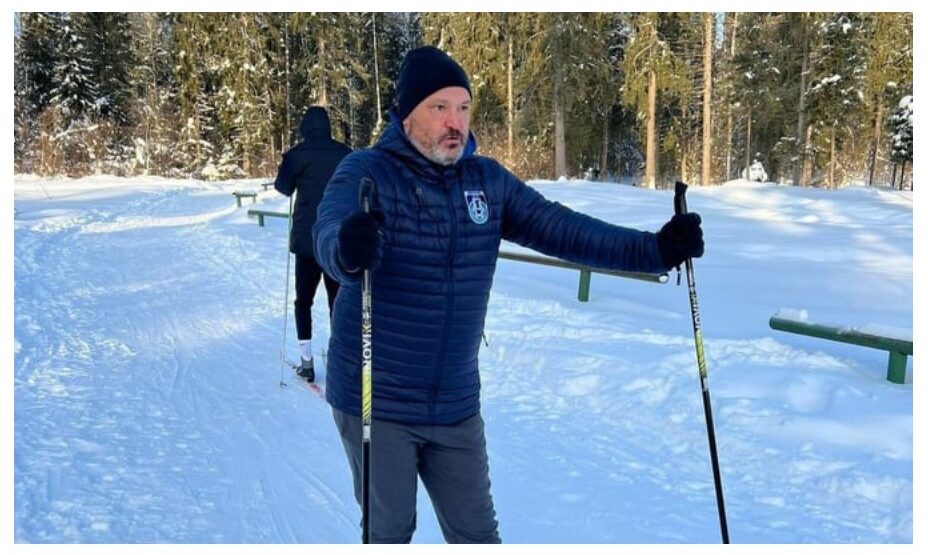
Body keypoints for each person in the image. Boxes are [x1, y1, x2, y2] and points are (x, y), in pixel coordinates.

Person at [313, 46, 704, 543]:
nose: (455, 123)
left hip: (454, 402)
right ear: (406, 116)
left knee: (478, 535)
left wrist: (655, 250)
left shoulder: (487, 182)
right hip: (377, 395)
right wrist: (348, 247)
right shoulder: (367, 172)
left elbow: (563, 229)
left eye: (463, 108)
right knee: (390, 531)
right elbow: (327, 233)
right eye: (439, 108)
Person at [275, 106, 351, 382]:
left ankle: (307, 363)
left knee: (303, 301)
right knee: (338, 302)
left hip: (307, 242)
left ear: (305, 128)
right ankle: (340, 361)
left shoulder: (296, 155)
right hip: (335, 241)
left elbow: (282, 188)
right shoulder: (345, 153)